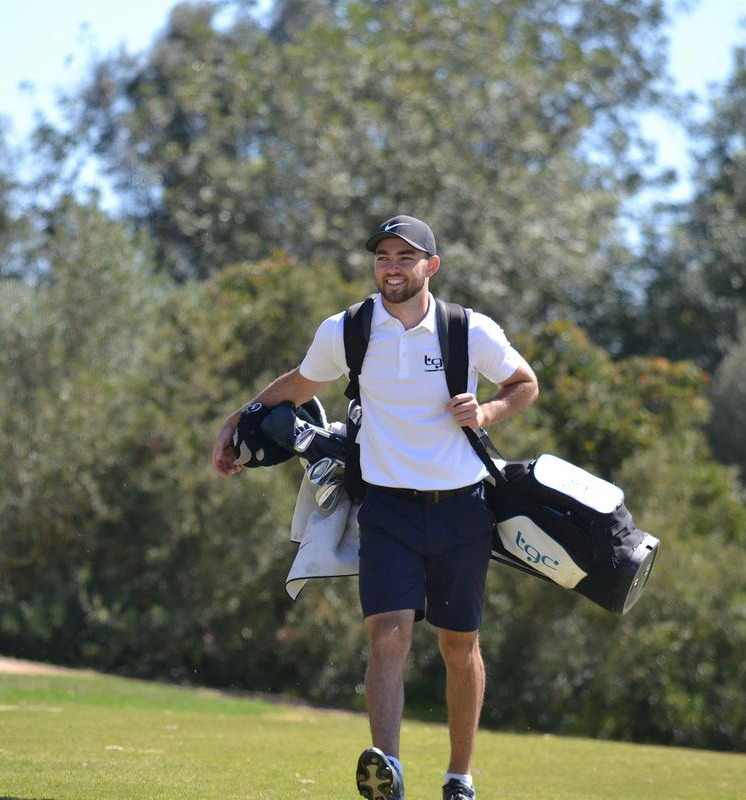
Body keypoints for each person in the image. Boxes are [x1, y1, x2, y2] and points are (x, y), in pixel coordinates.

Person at [212, 215, 539, 800]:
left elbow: (524, 384)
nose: (391, 266)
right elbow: (298, 385)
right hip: (386, 509)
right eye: (383, 256)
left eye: (404, 257)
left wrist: (486, 413)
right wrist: (237, 422)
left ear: (429, 267)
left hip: (462, 510)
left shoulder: (468, 329)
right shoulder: (349, 329)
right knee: (387, 635)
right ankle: (385, 771)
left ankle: (459, 777)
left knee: (458, 646)